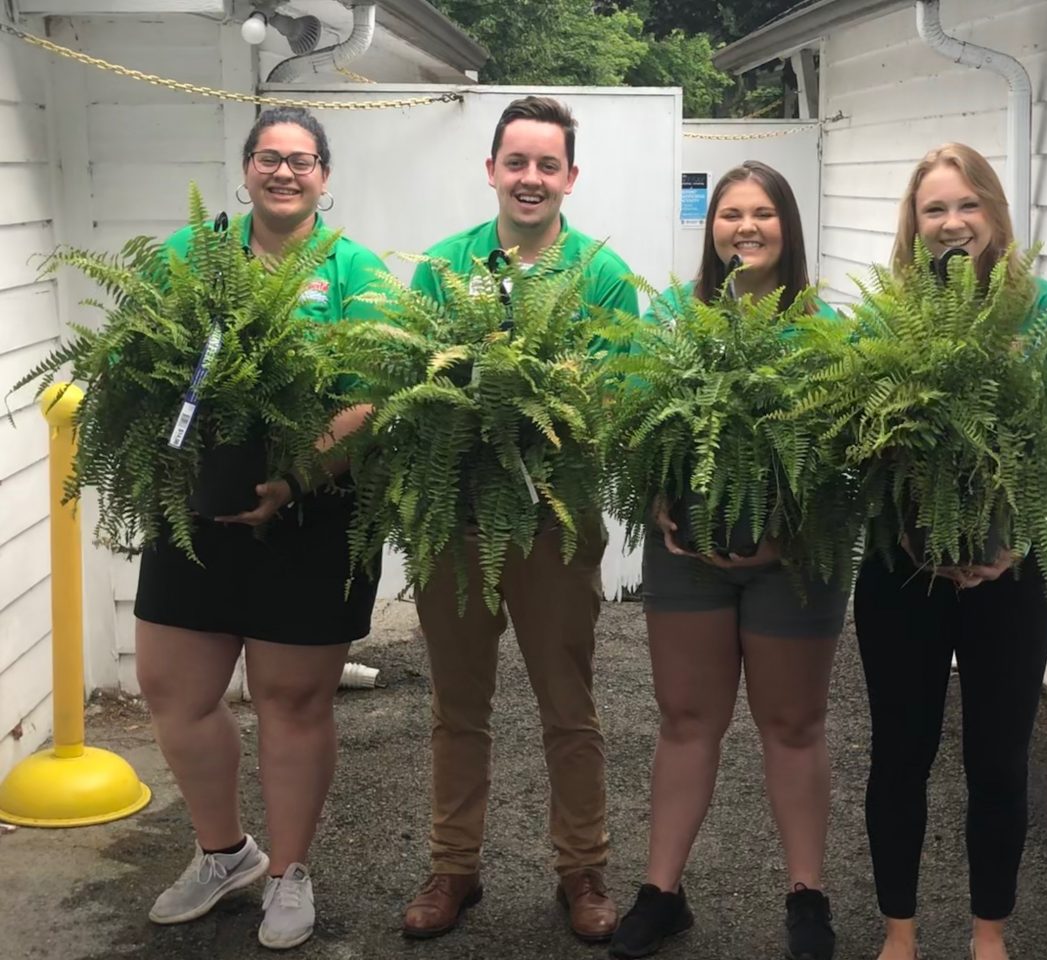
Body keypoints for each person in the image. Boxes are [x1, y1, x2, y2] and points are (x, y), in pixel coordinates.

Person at [134, 107, 388, 951]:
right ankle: (224, 854)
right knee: (176, 691)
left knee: (291, 701)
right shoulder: (192, 257)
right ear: (245, 169)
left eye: (301, 160)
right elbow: (138, 360)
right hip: (198, 510)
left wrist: (298, 474)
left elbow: (377, 393)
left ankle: (289, 872)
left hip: (314, 516)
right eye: (268, 158)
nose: (284, 173)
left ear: (325, 175)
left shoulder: (355, 271)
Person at [400, 95, 637, 944]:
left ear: (570, 177)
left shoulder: (601, 276)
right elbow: (408, 379)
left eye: (547, 165)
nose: (530, 178)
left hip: (553, 528)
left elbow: (610, 396)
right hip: (455, 524)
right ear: (492, 169)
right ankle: (452, 869)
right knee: (457, 707)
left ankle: (584, 868)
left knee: (567, 707)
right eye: (517, 162)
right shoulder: (442, 265)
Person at [854, 142, 1047, 960]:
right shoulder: (887, 313)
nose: (953, 223)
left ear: (994, 210)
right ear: (913, 224)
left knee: (998, 759)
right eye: (934, 209)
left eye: (968, 205)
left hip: (1010, 574)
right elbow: (864, 440)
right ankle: (900, 932)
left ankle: (989, 932)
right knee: (900, 753)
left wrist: (1016, 540)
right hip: (901, 569)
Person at [608, 162, 847, 960]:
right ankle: (660, 893)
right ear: (711, 230)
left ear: (790, 227)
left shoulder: (826, 326)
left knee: (793, 724)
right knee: (686, 721)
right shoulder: (676, 316)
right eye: (730, 214)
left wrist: (796, 524)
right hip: (690, 555)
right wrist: (657, 504)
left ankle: (807, 899)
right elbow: (636, 427)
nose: (746, 227)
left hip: (798, 558)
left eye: (764, 213)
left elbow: (850, 458)